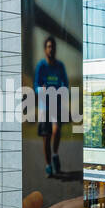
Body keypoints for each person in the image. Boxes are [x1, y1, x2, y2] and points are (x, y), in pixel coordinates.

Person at [34, 35, 70, 177]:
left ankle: (55, 155)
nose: (51, 49)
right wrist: (40, 90)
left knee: (56, 131)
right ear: (45, 49)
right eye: (49, 46)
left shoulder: (60, 66)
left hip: (56, 104)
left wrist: (62, 90)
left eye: (53, 46)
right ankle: (48, 164)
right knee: (46, 137)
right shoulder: (41, 66)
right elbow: (36, 84)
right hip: (44, 105)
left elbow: (65, 84)